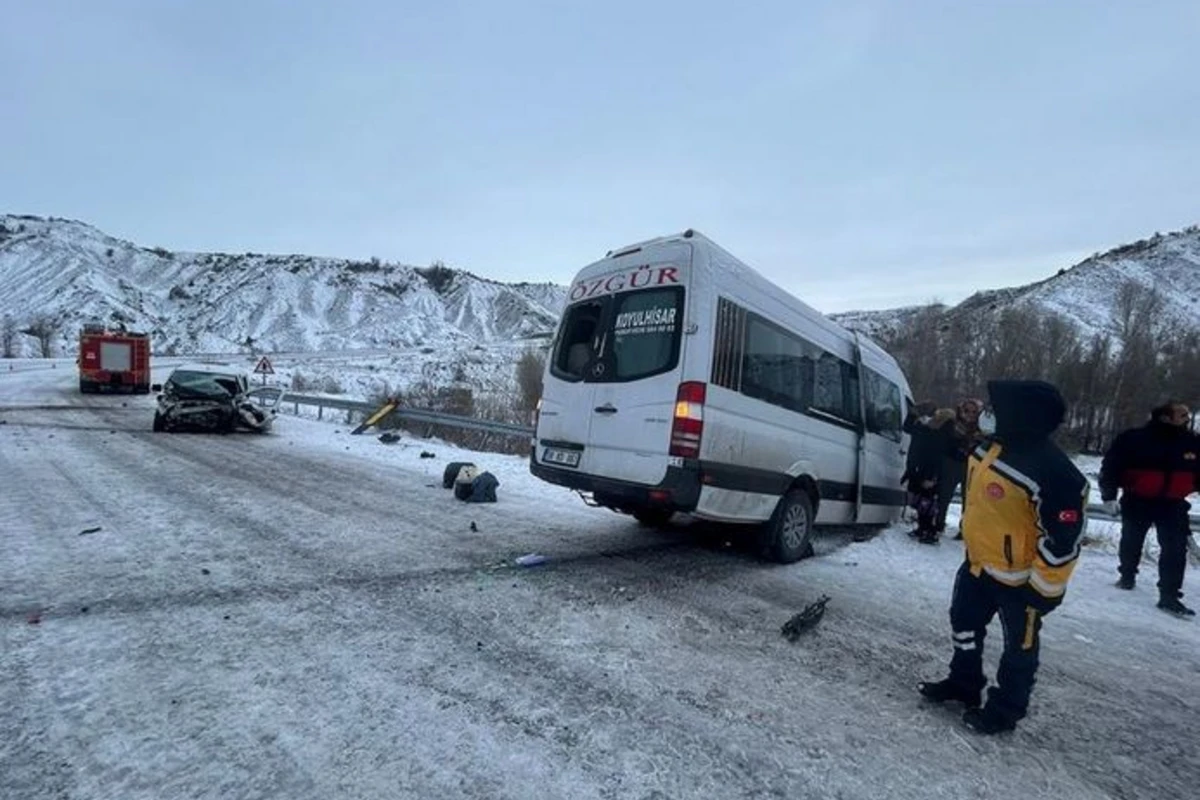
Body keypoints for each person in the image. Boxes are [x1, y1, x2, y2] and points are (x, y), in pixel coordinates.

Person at [919, 379, 1088, 735]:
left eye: (995, 408)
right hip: (978, 565)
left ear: (1020, 415)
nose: (986, 414)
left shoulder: (1056, 472)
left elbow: (1064, 539)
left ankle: (1005, 709)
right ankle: (964, 683)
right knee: (963, 624)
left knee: (1019, 650)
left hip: (1020, 582)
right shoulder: (990, 447)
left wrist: (1043, 590)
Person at [1098, 401, 1198, 617]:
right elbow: (1111, 466)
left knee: (1175, 550)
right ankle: (1127, 575)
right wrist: (1108, 495)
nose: (1187, 419)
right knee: (1132, 540)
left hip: (1173, 504)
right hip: (1138, 500)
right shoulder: (1134, 439)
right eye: (1182, 415)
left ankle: (1169, 596)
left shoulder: (1192, 442)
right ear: (1165, 417)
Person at [902, 406, 956, 544]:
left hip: (931, 471)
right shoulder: (932, 429)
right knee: (924, 501)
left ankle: (930, 531)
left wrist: (933, 477)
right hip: (927, 469)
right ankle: (924, 529)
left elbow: (939, 454)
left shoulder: (943, 431)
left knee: (927, 502)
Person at [934, 398, 986, 540]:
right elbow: (942, 442)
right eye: (967, 410)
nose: (970, 414)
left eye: (974, 411)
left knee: (968, 499)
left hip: (971, 466)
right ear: (961, 410)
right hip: (951, 462)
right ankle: (938, 524)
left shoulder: (982, 429)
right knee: (944, 496)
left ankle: (965, 529)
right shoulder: (952, 424)